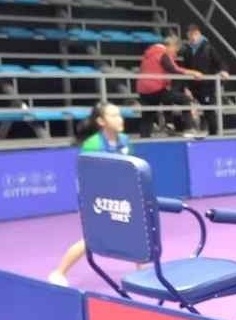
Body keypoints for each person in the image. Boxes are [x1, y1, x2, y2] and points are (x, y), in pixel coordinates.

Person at [47, 102, 131, 287]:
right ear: (101, 121)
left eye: (119, 115)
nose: (119, 119)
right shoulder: (92, 145)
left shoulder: (124, 140)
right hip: (96, 199)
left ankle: (144, 273)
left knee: (136, 233)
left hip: (119, 197)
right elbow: (88, 178)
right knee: (91, 239)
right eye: (113, 116)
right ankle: (58, 273)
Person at [137, 35, 201, 136]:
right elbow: (173, 69)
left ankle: (145, 138)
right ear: (171, 46)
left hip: (143, 90)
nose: (175, 55)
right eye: (175, 51)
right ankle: (189, 128)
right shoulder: (163, 53)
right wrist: (193, 72)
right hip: (156, 88)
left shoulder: (149, 54)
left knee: (147, 116)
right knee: (184, 99)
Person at [179, 23, 230, 133]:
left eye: (194, 34)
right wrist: (186, 86)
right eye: (190, 35)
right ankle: (191, 129)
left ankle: (214, 134)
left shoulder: (208, 47)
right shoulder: (186, 50)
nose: (192, 38)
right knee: (185, 103)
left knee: (209, 111)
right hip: (192, 85)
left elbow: (220, 61)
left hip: (206, 86)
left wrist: (224, 71)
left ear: (199, 34)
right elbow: (185, 69)